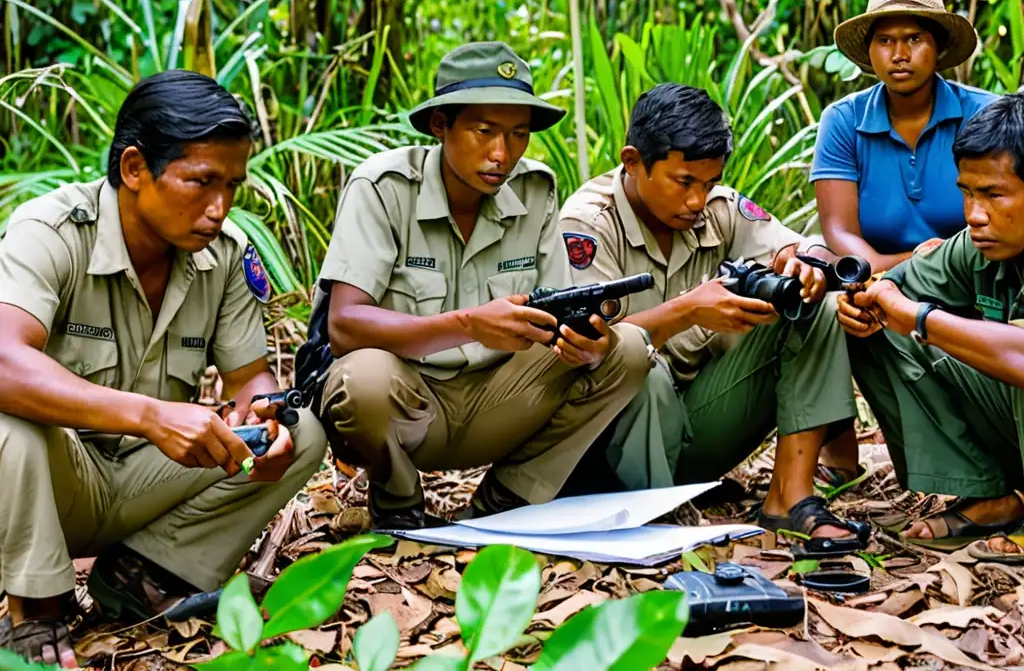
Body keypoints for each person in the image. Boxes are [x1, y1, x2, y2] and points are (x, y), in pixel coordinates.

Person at [0, 71, 327, 668]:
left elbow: (250, 379)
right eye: (201, 182)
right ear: (133, 169)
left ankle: (145, 573)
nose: (220, 207)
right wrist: (150, 416)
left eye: (232, 185)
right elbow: (2, 361)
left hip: (145, 481)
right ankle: (35, 608)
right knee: (11, 422)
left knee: (304, 431)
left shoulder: (223, 258)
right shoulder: (50, 232)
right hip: (52, 482)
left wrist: (264, 416)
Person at [297, 42, 651, 532]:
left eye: (518, 134)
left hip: (499, 401)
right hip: (408, 404)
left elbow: (557, 320)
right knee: (362, 378)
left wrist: (584, 345)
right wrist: (469, 325)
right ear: (440, 124)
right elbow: (344, 325)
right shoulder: (383, 188)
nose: (502, 153)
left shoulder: (536, 191)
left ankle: (507, 502)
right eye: (484, 131)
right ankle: (399, 506)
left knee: (627, 347)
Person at [558, 83, 868, 553]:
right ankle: (653, 517)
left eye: (709, 183)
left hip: (693, 430)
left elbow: (789, 242)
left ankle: (792, 496)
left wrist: (807, 260)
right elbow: (587, 353)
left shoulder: (715, 207)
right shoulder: (588, 226)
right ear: (633, 161)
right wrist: (687, 311)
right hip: (606, 452)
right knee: (641, 363)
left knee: (813, 306)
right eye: (684, 182)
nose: (697, 201)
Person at [810, 0, 995, 482]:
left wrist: (939, 264)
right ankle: (840, 454)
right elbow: (840, 234)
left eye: (913, 38)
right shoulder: (844, 121)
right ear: (868, 52)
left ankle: (974, 463)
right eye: (886, 40)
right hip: (878, 274)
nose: (899, 53)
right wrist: (912, 264)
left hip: (976, 276)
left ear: (936, 46)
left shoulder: (984, 115)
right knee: (828, 286)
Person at [838, 93, 1024, 561]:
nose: (974, 214)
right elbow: (891, 287)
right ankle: (989, 493)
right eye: (968, 192)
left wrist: (919, 317)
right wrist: (865, 303)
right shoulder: (976, 246)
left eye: (994, 195)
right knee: (878, 326)